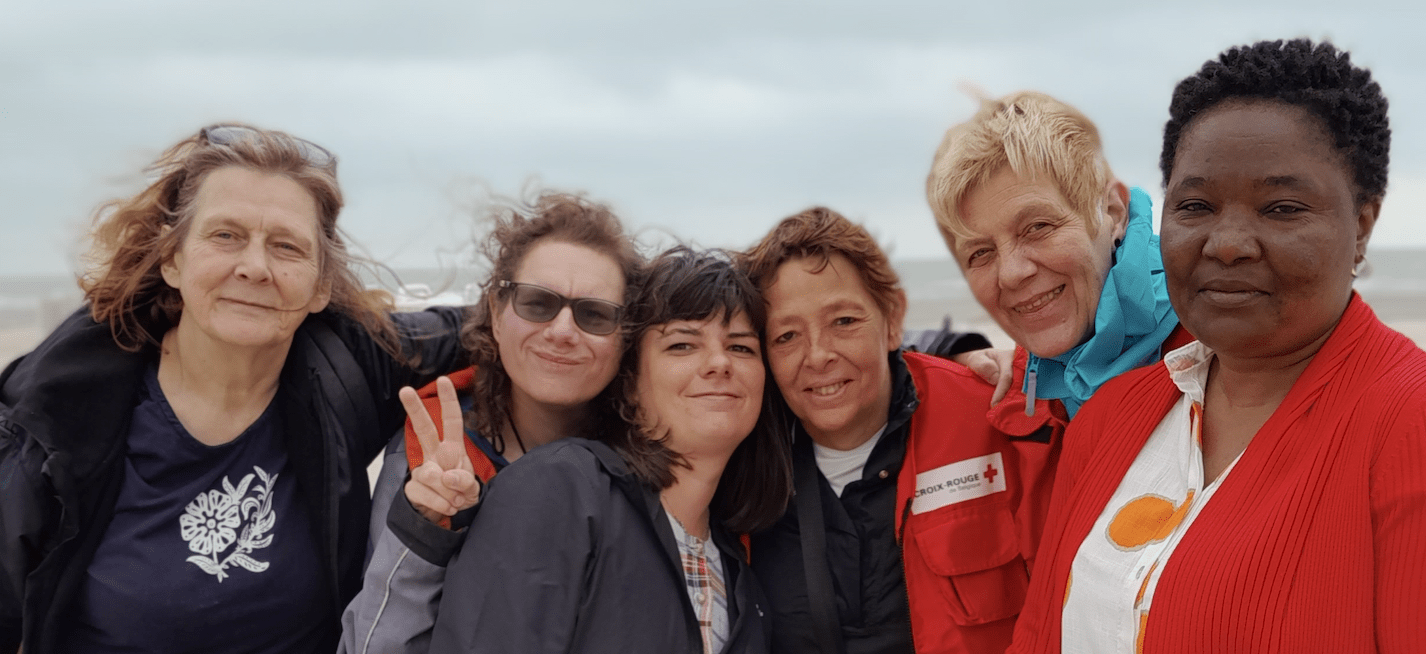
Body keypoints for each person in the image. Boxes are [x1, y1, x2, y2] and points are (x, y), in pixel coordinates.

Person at [1008, 39, 1426, 653]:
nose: (1226, 243)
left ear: (1361, 224)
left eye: (1282, 208)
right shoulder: (1112, 418)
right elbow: (1041, 635)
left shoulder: (1407, 425)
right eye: (1196, 205)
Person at [0, 125, 467, 653]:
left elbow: (495, 331)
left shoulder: (347, 368)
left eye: (286, 246)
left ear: (321, 287)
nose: (254, 267)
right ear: (172, 260)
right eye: (225, 235)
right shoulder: (57, 414)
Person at [427, 247, 792, 653]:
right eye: (682, 345)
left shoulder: (741, 568)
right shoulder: (558, 491)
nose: (719, 363)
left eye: (741, 347)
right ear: (631, 383)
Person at [740, 208, 1061, 654]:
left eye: (844, 321)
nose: (818, 356)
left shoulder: (1002, 420)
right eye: (786, 336)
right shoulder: (738, 466)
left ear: (892, 320)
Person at [340, 192, 642, 653]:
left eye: (595, 314)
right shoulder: (435, 446)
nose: (562, 331)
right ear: (497, 316)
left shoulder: (650, 461)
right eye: (538, 303)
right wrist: (426, 527)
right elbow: (373, 644)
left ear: (625, 340)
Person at [926, 90, 1190, 420]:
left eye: (1037, 227)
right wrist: (951, 352)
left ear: (1114, 212)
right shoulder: (1017, 393)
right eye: (980, 252)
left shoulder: (1224, 358)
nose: (1011, 273)